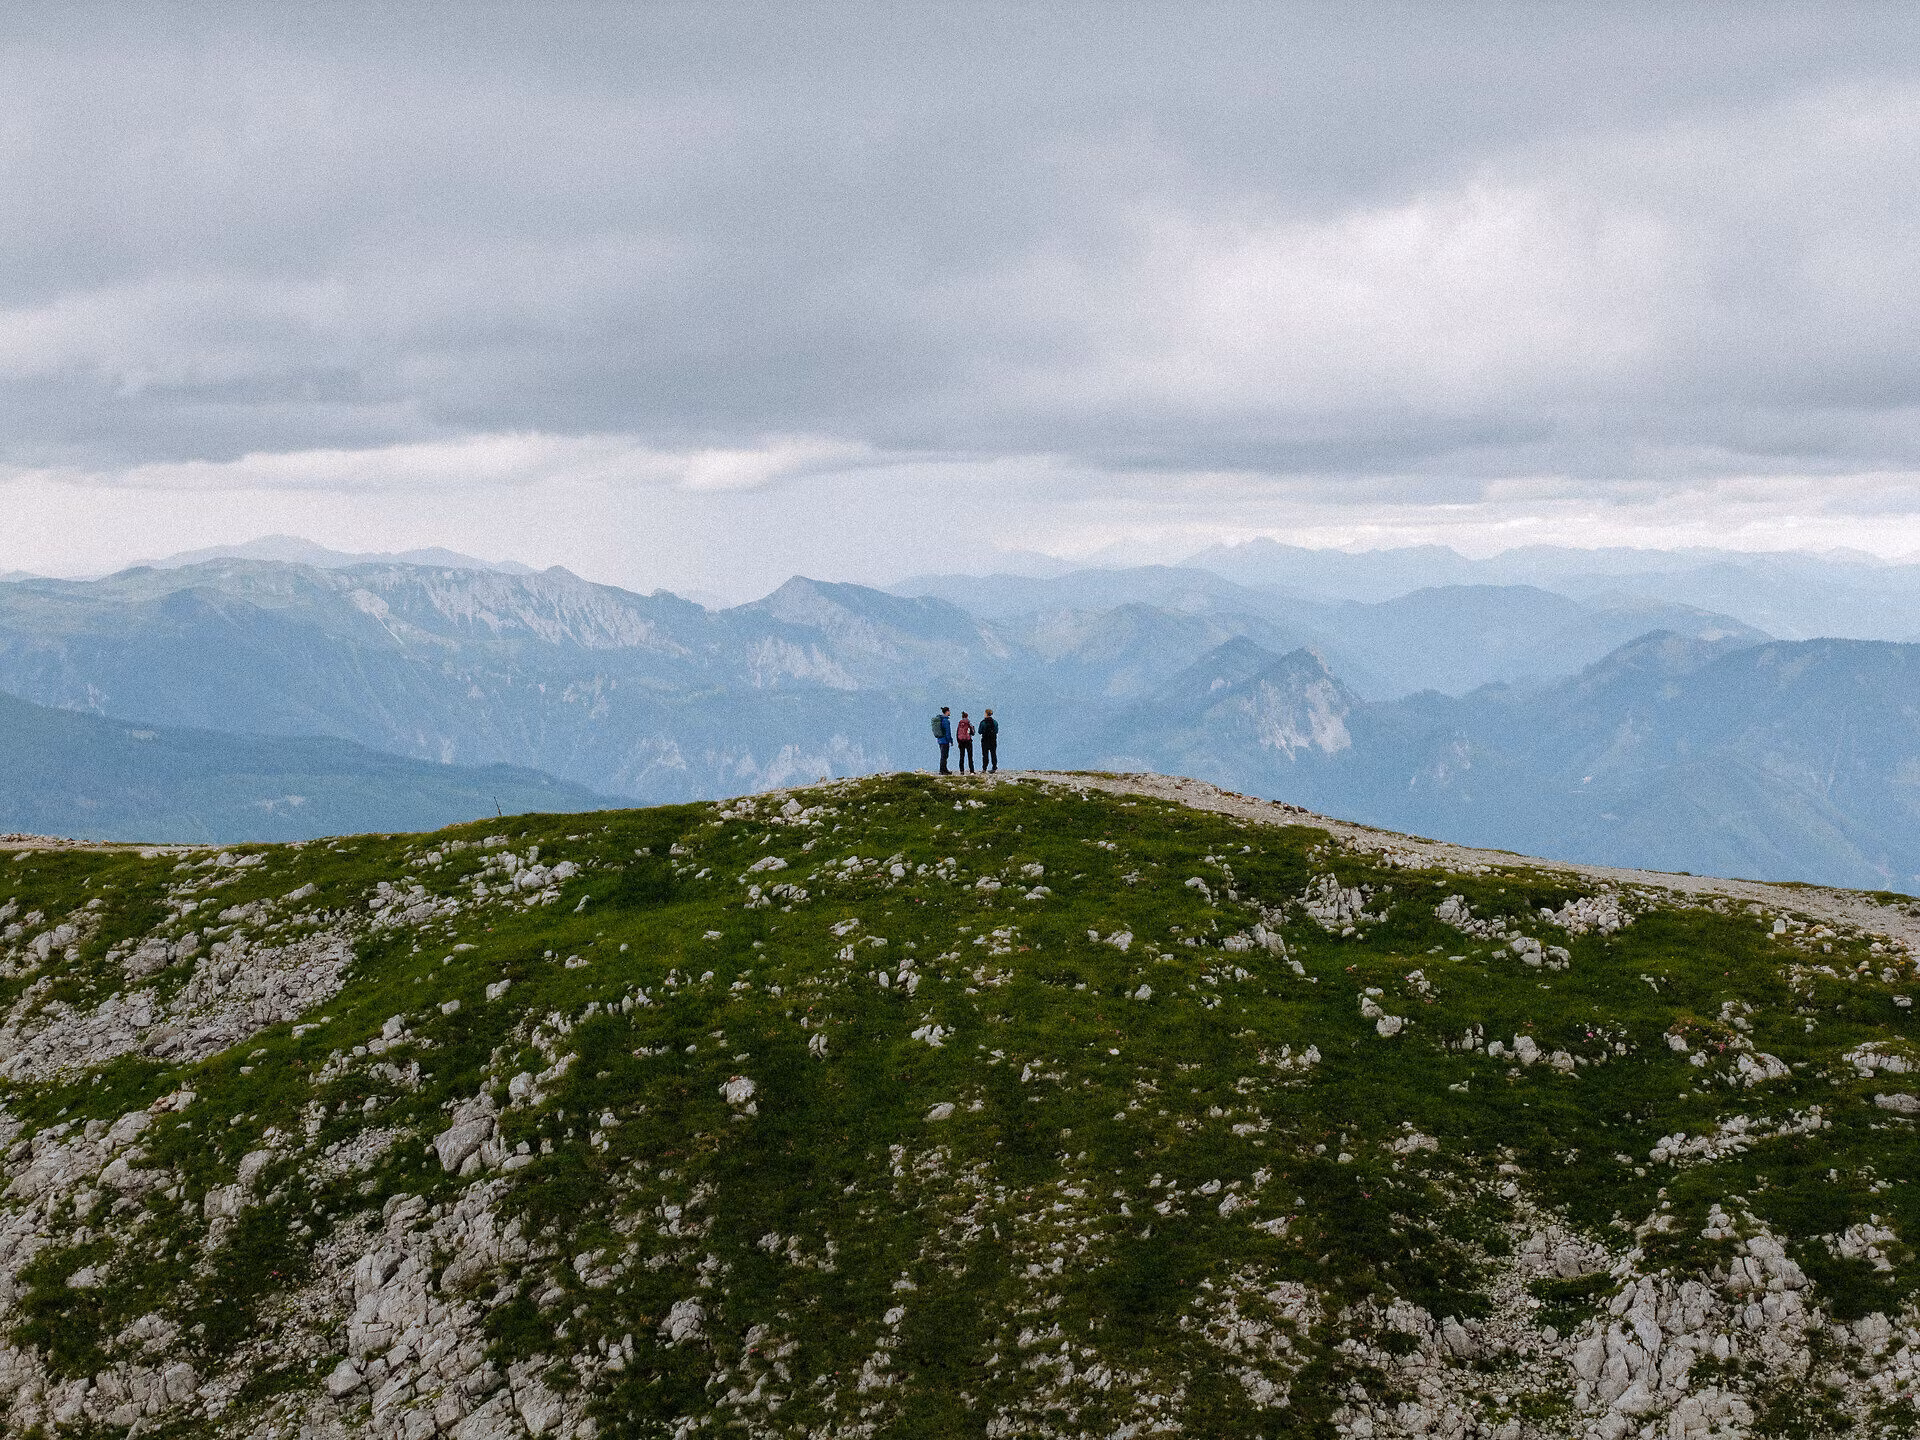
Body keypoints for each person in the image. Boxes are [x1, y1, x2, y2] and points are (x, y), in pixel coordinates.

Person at [931, 706, 953, 773]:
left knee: (943, 755)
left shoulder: (940, 719)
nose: (950, 712)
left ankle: (943, 769)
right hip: (945, 741)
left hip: (940, 740)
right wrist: (950, 740)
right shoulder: (946, 721)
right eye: (949, 711)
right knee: (945, 755)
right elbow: (948, 732)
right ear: (947, 712)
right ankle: (943, 770)